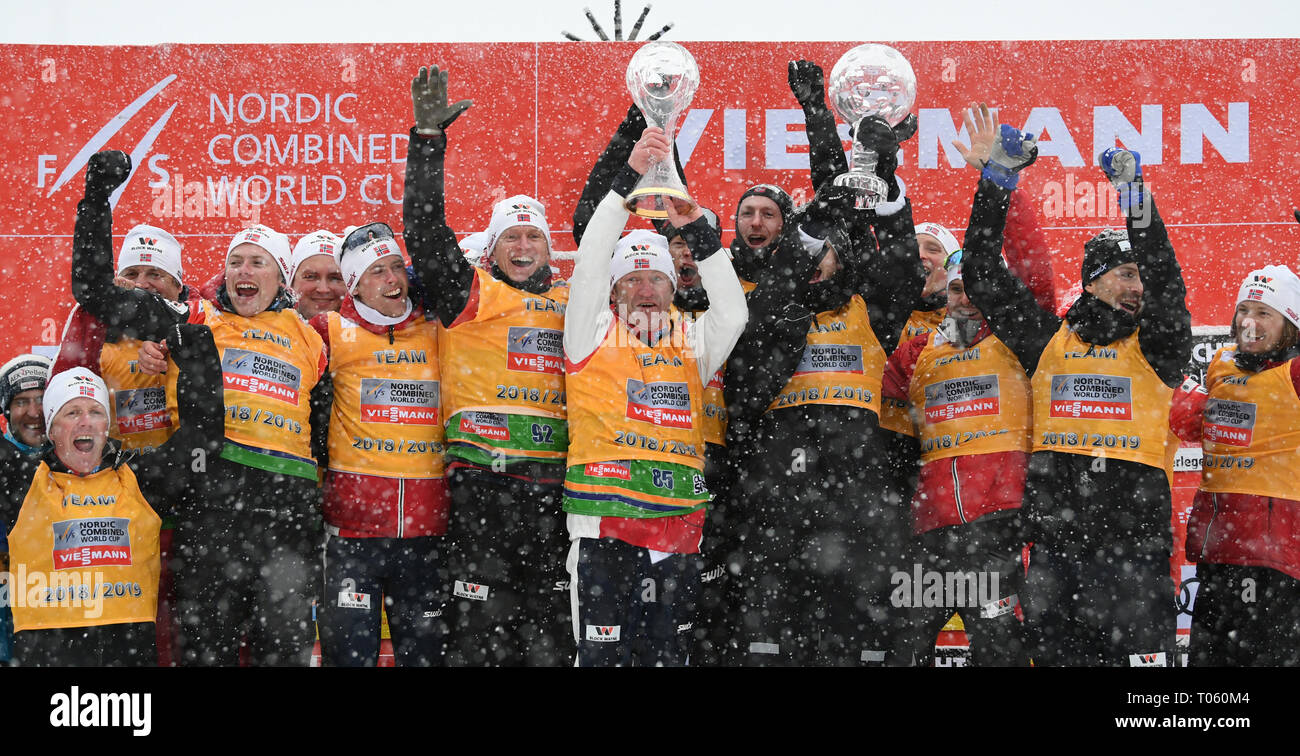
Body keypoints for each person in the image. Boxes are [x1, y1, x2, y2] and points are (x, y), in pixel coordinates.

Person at [70, 150, 328, 666]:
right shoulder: (194, 318)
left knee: (285, 654)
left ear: (282, 277)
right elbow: (95, 290)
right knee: (204, 652)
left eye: (258, 262)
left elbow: (326, 427)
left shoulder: (316, 338)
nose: (244, 271)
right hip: (214, 500)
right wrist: (97, 198)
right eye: (236, 261)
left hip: (288, 507)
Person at [958, 103, 1192, 666]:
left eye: (1140, 275)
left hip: (1134, 555)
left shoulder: (1157, 347)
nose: (1139, 286)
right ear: (1093, 282)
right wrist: (997, 179)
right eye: (1125, 273)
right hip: (1059, 552)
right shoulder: (1048, 342)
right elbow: (983, 273)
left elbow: (1165, 273)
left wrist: (1134, 192)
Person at [722, 96, 925, 664]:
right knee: (774, 624)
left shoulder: (871, 308)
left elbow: (902, 257)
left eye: (828, 250)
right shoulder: (766, 306)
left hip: (856, 484)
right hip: (779, 483)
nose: (819, 258)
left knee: (853, 625)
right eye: (806, 249)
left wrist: (881, 176)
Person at [404, 64, 570, 665]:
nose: (523, 249)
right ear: (492, 248)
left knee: (550, 642)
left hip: (556, 490)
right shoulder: (472, 293)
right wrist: (428, 144)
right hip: (484, 486)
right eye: (511, 239)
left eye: (534, 238)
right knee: (479, 642)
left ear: (551, 249)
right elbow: (423, 233)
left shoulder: (574, 304)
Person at [563, 124, 746, 665]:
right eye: (633, 280)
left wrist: (696, 230)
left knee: (669, 659)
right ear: (614, 290)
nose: (646, 290)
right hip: (605, 526)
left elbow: (733, 312)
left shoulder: (693, 341)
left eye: (658, 279)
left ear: (674, 288)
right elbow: (593, 257)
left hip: (676, 526)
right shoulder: (590, 333)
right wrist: (627, 187)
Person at [2, 325, 222, 667]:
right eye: (71, 413)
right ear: (51, 427)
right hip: (48, 653)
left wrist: (198, 356)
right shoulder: (24, 479)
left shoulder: (139, 480)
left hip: (129, 651)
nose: (85, 423)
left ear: (108, 425)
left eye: (95, 412)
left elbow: (202, 440)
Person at [882, 253, 1033, 666]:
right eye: (955, 288)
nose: (965, 298)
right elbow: (876, 409)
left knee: (1000, 647)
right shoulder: (916, 351)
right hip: (930, 531)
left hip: (996, 527)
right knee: (903, 646)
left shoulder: (1022, 340)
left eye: (974, 287)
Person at [309, 222, 448, 666]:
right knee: (350, 659)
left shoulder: (440, 325)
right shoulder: (328, 330)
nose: (392, 280)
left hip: (427, 532)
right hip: (354, 535)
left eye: (395, 268)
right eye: (376, 272)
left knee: (425, 658)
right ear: (354, 285)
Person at [1171, 265, 1300, 666]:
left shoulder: (1294, 373)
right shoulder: (1223, 365)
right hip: (1218, 548)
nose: (1249, 321)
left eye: (1265, 313)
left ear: (1291, 325)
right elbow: (1192, 424)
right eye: (1244, 309)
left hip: (1275, 558)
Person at [0, 354, 52, 664]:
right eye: (21, 402)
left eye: (42, 400)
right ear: (6, 411)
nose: (34, 413)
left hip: (59, 617)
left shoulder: (81, 460)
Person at [289, 230, 346, 321]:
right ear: (292, 283)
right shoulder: (266, 331)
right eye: (310, 277)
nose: (323, 289)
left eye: (335, 278)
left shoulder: (367, 333)